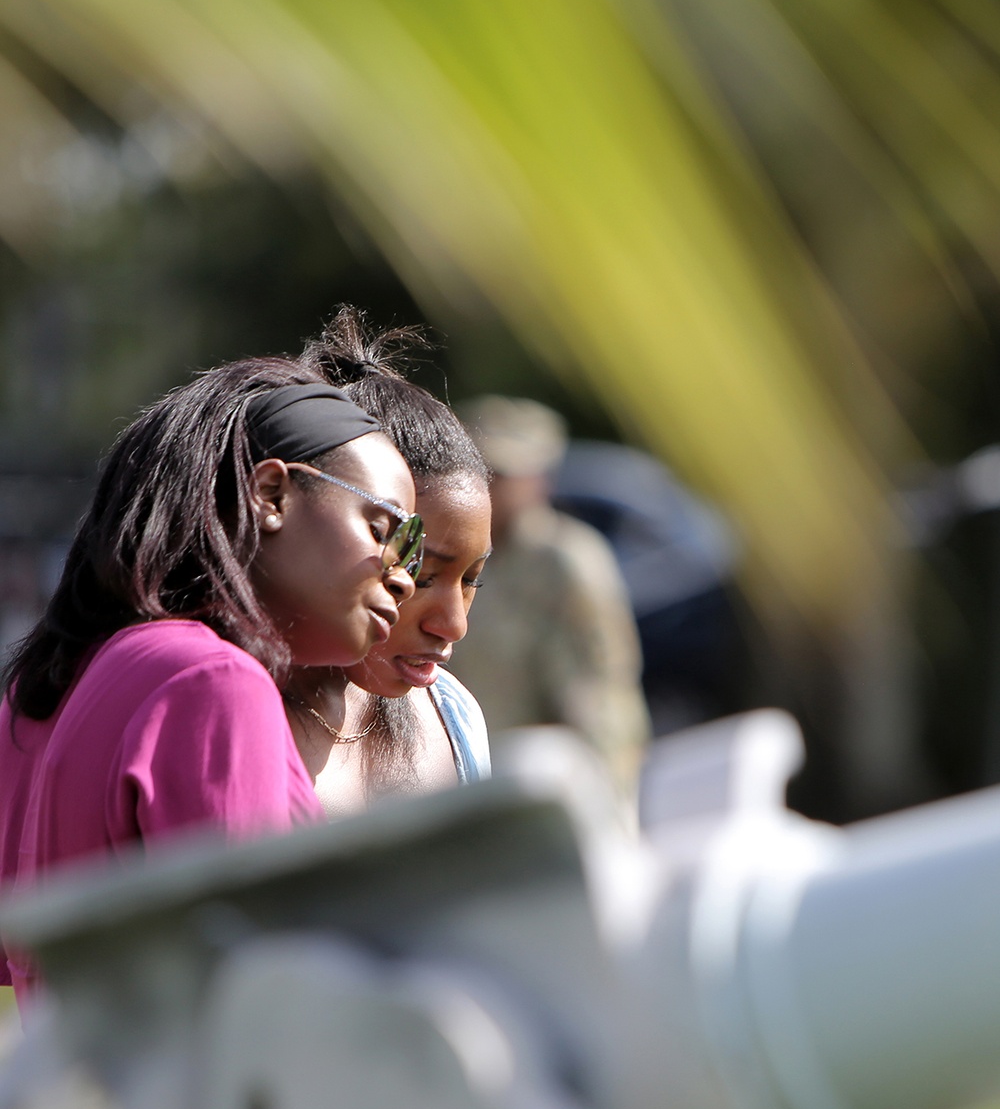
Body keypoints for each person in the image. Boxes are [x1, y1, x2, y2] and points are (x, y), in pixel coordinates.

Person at [0, 355, 423, 998]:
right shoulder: (216, 681)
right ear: (272, 495)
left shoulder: (61, 680)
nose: (402, 574)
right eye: (384, 528)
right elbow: (256, 987)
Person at [282, 310, 493, 814]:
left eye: (471, 580)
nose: (453, 624)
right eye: (419, 573)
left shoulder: (453, 717)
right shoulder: (230, 714)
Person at [450, 395, 650, 801]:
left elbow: (602, 690)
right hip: (472, 776)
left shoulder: (566, 560)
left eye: (503, 474)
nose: (491, 484)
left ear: (538, 480)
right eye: (481, 469)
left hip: (547, 779)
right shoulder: (458, 556)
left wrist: (605, 794)